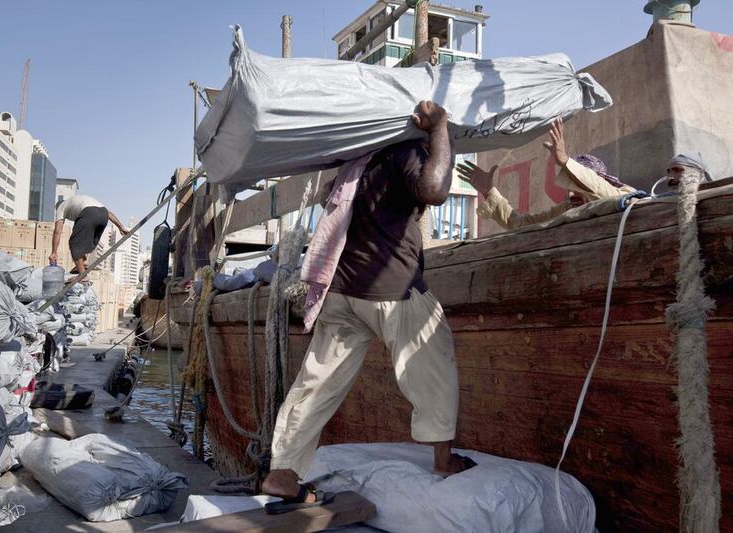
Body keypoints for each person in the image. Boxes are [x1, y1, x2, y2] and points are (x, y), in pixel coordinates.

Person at [261, 101, 472, 510]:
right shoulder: (401, 153)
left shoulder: (354, 167)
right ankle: (444, 461)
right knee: (432, 366)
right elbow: (436, 190)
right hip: (392, 289)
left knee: (316, 384)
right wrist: (440, 129)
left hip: (340, 294)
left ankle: (283, 472)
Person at [457, 118, 636, 230]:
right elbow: (521, 225)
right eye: (569, 188)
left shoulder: (626, 198)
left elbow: (613, 197)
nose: (570, 194)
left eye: (576, 185)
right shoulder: (566, 210)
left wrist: (566, 162)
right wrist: (489, 191)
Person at [50, 195, 129, 273]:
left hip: (88, 213)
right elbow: (108, 213)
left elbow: (57, 231)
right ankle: (83, 263)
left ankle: (82, 275)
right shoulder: (76, 201)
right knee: (87, 242)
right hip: (103, 214)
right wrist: (120, 227)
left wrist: (54, 252)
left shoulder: (61, 207)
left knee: (74, 243)